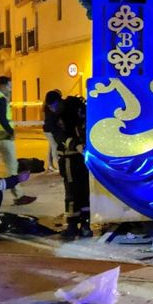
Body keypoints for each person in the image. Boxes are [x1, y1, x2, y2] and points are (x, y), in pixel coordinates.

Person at [0, 76, 35, 205]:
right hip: (2, 137)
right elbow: (2, 119)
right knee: (12, 166)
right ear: (2, 86)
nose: (10, 90)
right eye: (9, 86)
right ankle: (19, 195)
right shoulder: (0, 99)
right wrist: (11, 132)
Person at [58, 96, 91, 238]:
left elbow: (63, 139)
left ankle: (73, 226)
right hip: (78, 160)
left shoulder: (67, 122)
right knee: (82, 193)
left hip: (72, 162)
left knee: (73, 193)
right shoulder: (78, 121)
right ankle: (84, 225)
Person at [42, 90, 63, 174]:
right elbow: (53, 119)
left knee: (51, 147)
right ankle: (58, 166)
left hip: (47, 129)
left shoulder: (46, 105)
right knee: (55, 147)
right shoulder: (51, 107)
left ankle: (50, 165)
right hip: (50, 129)